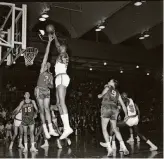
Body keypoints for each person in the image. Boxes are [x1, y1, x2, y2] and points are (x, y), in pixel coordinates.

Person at [35, 34, 58, 139]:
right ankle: (45, 130)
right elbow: (46, 54)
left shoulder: (50, 75)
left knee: (47, 109)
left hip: (47, 91)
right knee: (42, 110)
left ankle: (51, 129)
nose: (47, 63)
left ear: (50, 66)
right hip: (40, 90)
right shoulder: (42, 70)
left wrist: (50, 85)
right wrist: (49, 42)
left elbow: (52, 87)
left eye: (48, 63)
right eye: (45, 63)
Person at [98, 79, 129, 156]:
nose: (108, 81)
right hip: (114, 109)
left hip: (106, 107)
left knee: (104, 129)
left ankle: (109, 149)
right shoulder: (118, 92)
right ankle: (124, 147)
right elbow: (123, 104)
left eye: (110, 81)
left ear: (113, 83)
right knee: (115, 129)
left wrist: (99, 95)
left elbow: (100, 96)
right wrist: (126, 114)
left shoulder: (108, 87)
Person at [53, 30, 73, 140]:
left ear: (62, 48)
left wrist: (55, 37)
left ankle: (68, 127)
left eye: (60, 47)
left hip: (62, 77)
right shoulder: (61, 54)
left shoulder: (63, 54)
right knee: (58, 104)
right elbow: (56, 45)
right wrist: (55, 36)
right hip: (59, 78)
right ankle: (66, 127)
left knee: (61, 102)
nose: (58, 48)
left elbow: (57, 46)